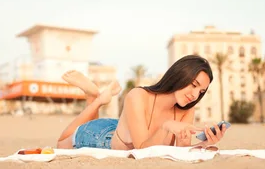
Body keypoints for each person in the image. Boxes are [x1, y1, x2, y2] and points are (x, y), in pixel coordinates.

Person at [56, 55, 228, 150]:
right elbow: (142, 150)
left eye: (201, 91)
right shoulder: (138, 96)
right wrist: (166, 125)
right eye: (194, 85)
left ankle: (93, 95)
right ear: (180, 75)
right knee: (62, 143)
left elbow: (180, 152)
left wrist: (204, 144)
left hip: (123, 128)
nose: (195, 94)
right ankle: (96, 98)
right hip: (100, 136)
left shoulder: (186, 109)